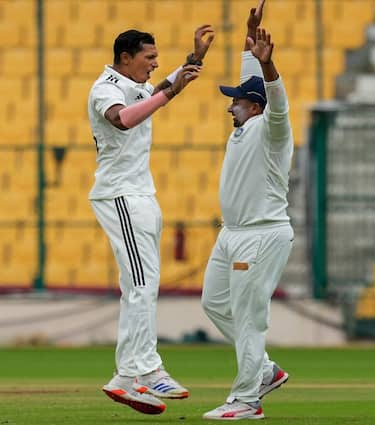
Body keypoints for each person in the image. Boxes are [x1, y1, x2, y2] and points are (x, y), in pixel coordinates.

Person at [89, 25, 214, 415]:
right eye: (148, 57)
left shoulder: (137, 83)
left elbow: (160, 88)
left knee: (139, 286)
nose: (155, 63)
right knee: (142, 284)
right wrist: (165, 93)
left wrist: (193, 61)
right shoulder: (105, 88)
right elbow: (122, 119)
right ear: (126, 58)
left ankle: (125, 378)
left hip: (141, 194)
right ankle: (149, 369)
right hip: (121, 195)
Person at [200, 1, 294, 420]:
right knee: (215, 303)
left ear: (254, 106)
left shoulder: (272, 129)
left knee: (250, 317)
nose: (230, 105)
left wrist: (270, 68)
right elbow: (250, 75)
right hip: (232, 232)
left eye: (237, 101)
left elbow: (275, 100)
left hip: (262, 233)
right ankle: (266, 370)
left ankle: (246, 400)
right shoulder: (244, 121)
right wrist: (250, 31)